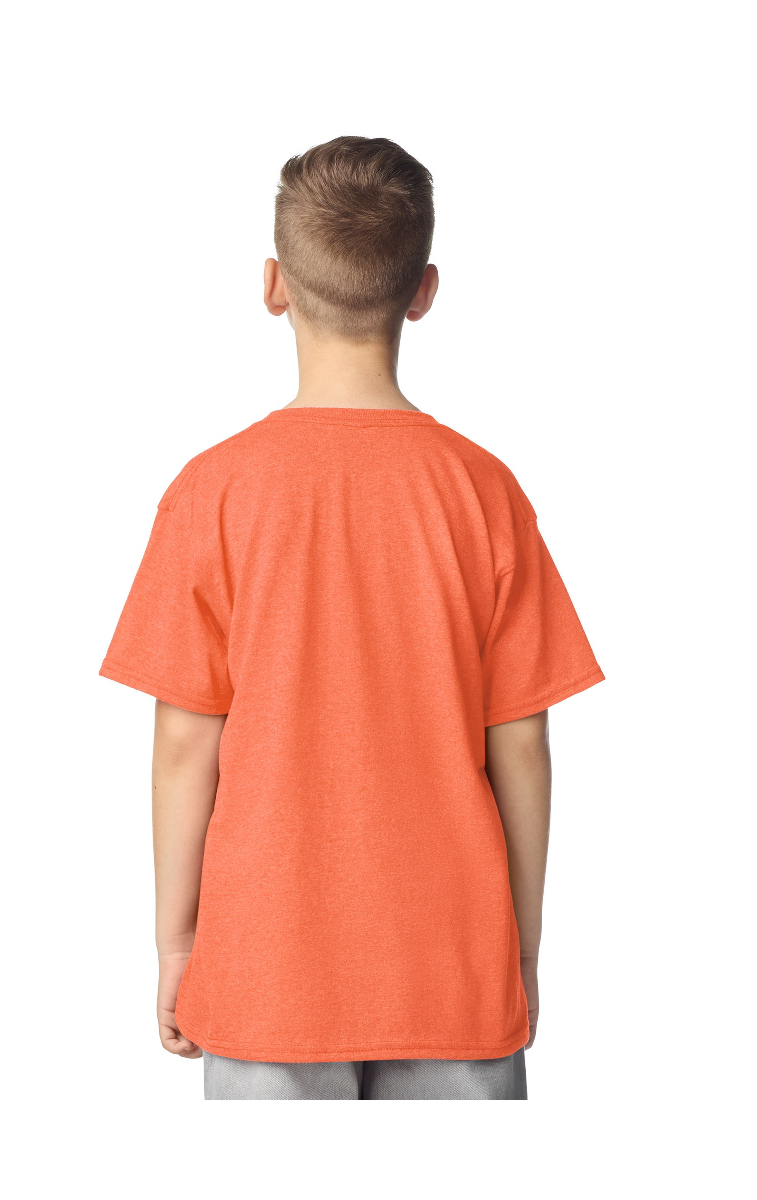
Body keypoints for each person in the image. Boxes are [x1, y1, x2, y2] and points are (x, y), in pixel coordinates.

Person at [100, 136, 604, 1101]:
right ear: (423, 292)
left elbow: (183, 741)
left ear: (272, 286)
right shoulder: (484, 492)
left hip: (265, 966)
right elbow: (523, 742)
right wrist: (522, 949)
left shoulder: (213, 492)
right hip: (452, 962)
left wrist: (177, 944)